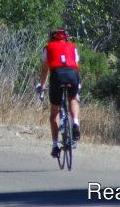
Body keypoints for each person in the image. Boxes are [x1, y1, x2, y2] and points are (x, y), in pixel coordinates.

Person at [36, 28, 82, 159]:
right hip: (73, 74)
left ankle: (55, 145)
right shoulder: (72, 47)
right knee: (73, 99)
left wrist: (42, 86)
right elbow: (76, 65)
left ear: (52, 38)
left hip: (57, 75)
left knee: (54, 111)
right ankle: (75, 122)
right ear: (66, 38)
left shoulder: (48, 47)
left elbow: (45, 70)